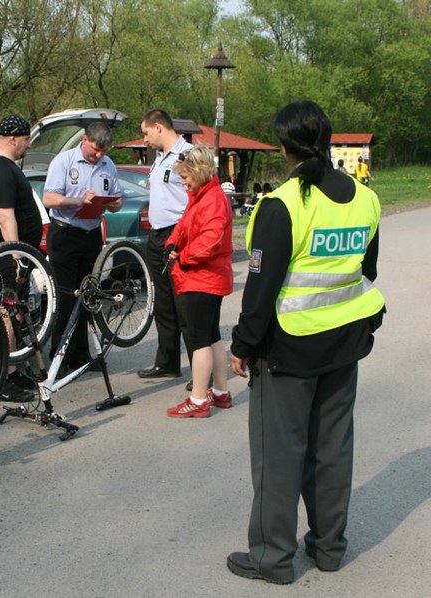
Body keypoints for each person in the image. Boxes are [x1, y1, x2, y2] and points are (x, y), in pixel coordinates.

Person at [226, 100, 385, 584]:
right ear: (329, 139)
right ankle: (329, 549)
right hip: (345, 345)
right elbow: (366, 270)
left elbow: (260, 289)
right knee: (332, 449)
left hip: (289, 352)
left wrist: (241, 345)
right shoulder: (365, 199)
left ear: (283, 146)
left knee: (280, 454)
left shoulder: (283, 205)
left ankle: (273, 559)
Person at [43, 121, 122, 372]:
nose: (99, 155)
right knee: (66, 298)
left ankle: (81, 354)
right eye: (96, 150)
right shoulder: (64, 161)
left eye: (104, 151)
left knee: (89, 295)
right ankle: (60, 356)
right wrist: (78, 200)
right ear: (85, 140)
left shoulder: (108, 165)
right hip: (65, 234)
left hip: (91, 235)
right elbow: (49, 198)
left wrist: (109, 204)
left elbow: (118, 201)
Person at [163, 146, 233, 418]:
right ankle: (220, 391)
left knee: (198, 339)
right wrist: (171, 242)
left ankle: (199, 399)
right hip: (205, 276)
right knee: (211, 335)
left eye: (185, 177)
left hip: (202, 277)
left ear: (199, 172)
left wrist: (184, 257)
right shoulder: (201, 194)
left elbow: (211, 239)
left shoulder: (212, 198)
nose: (183, 182)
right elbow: (184, 224)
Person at [0, 114, 43, 401]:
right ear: (13, 138)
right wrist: (16, 253)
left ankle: (13, 370)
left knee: (16, 311)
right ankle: (1, 379)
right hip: (10, 255)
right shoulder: (2, 171)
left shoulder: (5, 167)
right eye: (27, 139)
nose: (28, 145)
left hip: (19, 254)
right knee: (6, 313)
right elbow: (6, 216)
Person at [136, 108, 193, 379]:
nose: (145, 139)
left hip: (178, 234)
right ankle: (167, 362)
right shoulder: (159, 159)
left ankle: (200, 369)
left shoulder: (188, 155)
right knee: (164, 304)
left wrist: (184, 237)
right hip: (157, 236)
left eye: (146, 132)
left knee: (185, 304)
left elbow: (198, 200)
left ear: (158, 127)